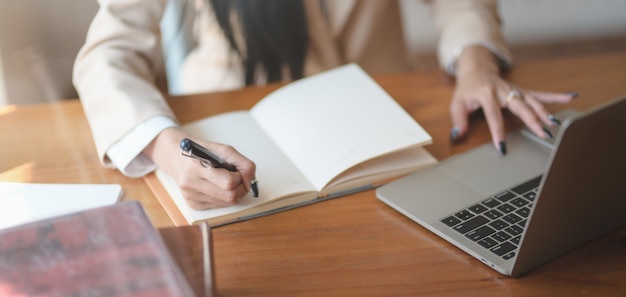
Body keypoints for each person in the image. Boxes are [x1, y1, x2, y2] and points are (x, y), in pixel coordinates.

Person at [73, 0, 575, 210]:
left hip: (381, 121)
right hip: (241, 113)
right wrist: (162, 145)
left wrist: (476, 64)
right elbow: (108, 54)